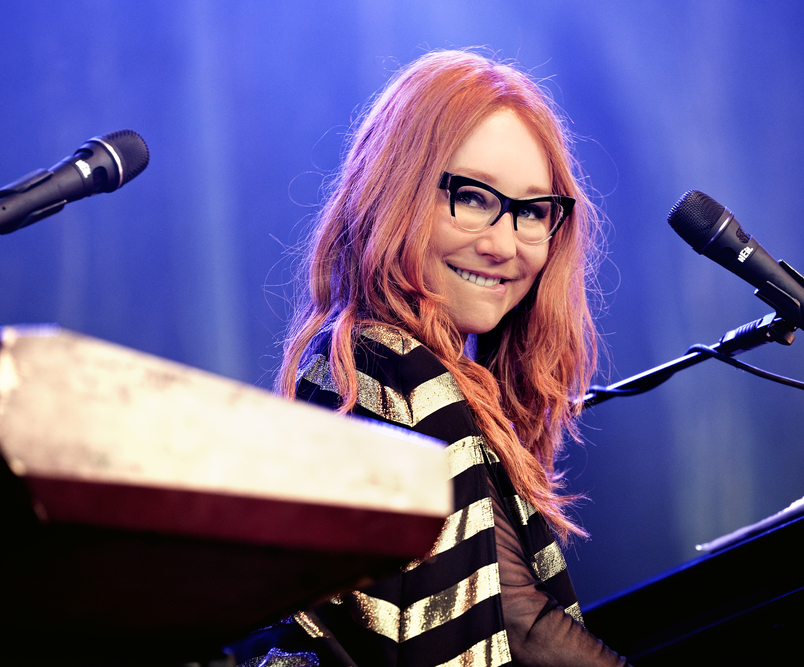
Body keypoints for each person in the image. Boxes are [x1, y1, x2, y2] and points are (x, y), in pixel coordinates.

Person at [232, 50, 628, 667]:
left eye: (532, 211)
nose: (502, 243)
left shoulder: (375, 361)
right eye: (471, 197)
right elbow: (519, 622)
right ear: (397, 187)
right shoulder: (391, 363)